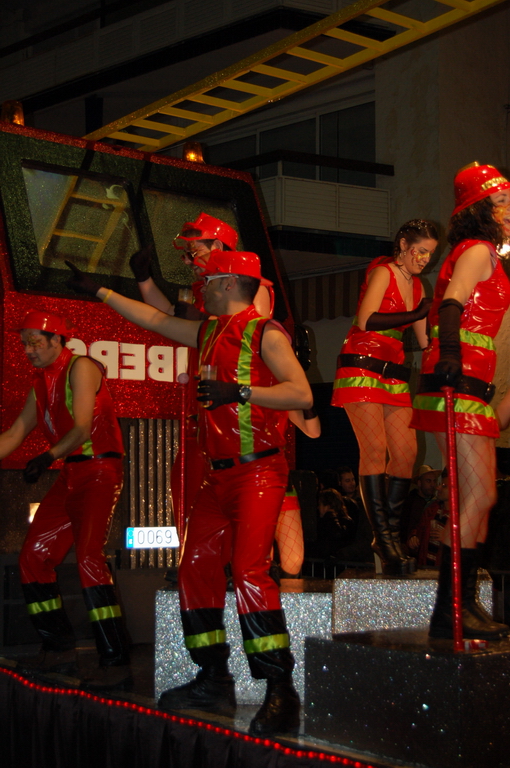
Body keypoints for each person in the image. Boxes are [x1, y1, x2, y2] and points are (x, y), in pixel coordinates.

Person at [66, 250, 313, 736]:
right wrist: (100, 291)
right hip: (217, 478)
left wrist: (238, 393)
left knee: (247, 571)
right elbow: (155, 318)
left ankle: (279, 689)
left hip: (257, 472)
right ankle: (212, 676)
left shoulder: (266, 332)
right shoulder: (209, 330)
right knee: (194, 568)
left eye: (205, 280)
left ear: (225, 284)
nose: (198, 287)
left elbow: (302, 394)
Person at [0, 310, 129, 682]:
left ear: (57, 340)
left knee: (89, 557)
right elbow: (13, 435)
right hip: (71, 472)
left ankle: (115, 659)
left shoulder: (82, 367)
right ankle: (58, 650)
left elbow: (83, 427)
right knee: (32, 558)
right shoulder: (40, 383)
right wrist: (51, 458)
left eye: (35, 342)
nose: (28, 349)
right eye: (24, 342)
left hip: (100, 470)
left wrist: (47, 456)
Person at [412, 162, 510, 639]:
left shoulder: (484, 251)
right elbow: (451, 302)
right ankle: (453, 605)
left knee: (480, 495)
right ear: (479, 209)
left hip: (469, 378)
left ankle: (458, 603)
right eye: (501, 201)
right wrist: (450, 352)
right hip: (459, 375)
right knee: (478, 494)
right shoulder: (477, 250)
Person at [331, 220, 438, 574]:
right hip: (361, 366)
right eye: (420, 251)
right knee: (375, 449)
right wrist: (417, 313)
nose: (424, 259)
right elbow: (365, 320)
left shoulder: (418, 285)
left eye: (430, 254)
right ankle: (384, 536)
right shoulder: (384, 272)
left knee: (407, 454)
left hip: (393, 375)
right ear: (403, 244)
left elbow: (424, 341)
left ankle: (387, 534)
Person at [400, 464, 441, 559]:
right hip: (410, 552)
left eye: (434, 481)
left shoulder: (436, 504)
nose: (432, 485)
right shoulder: (408, 503)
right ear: (419, 483)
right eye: (428, 481)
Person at [414, 469, 449, 568]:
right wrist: (413, 537)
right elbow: (418, 529)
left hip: (447, 571)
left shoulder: (462, 515)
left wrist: (448, 537)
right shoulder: (431, 509)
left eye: (444, 486)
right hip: (427, 567)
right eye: (440, 484)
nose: (437, 488)